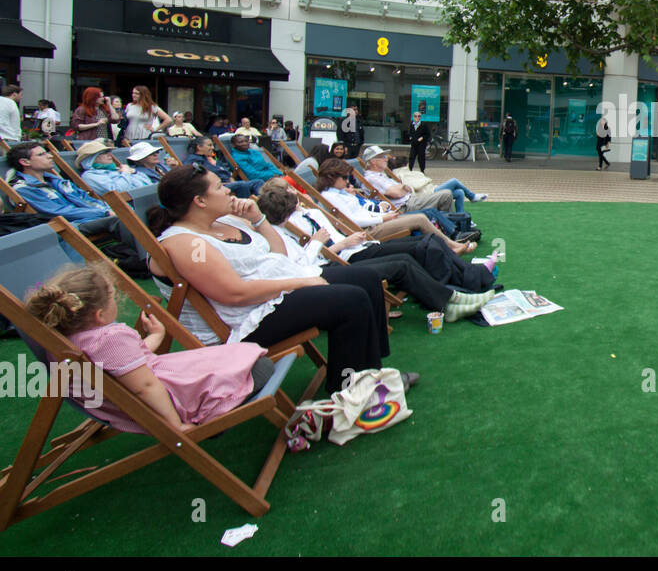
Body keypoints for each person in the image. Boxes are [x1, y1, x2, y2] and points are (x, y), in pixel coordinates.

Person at [146, 166, 413, 394]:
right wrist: (300, 284)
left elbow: (277, 253)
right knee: (350, 300)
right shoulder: (187, 243)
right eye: (218, 187)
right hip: (245, 319)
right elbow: (233, 294)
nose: (228, 189)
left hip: (276, 290)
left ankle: (371, 371)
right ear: (199, 201)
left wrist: (257, 219)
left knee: (364, 277)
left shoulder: (228, 221)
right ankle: (350, 389)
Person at [25, 262, 268, 432]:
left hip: (137, 392)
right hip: (168, 396)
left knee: (232, 359)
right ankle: (215, 408)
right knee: (258, 367)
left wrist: (156, 336)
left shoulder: (65, 342)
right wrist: (175, 426)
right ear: (99, 314)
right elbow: (145, 386)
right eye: (113, 298)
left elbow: (127, 364)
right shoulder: (109, 338)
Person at [256, 181, 497, 321]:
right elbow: (299, 266)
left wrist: (349, 236)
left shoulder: (311, 214)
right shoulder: (283, 232)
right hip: (344, 257)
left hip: (359, 245)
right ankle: (451, 298)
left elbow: (341, 229)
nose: (298, 194)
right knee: (407, 258)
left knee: (427, 243)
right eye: (292, 194)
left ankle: (468, 280)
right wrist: (337, 243)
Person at [316, 158, 475, 251]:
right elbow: (353, 221)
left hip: (380, 218)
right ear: (331, 177)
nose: (347, 181)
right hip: (369, 230)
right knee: (421, 218)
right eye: (344, 178)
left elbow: (362, 211)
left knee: (444, 199)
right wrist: (383, 218)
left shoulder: (340, 193)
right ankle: (452, 244)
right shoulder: (331, 197)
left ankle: (453, 240)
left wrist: (382, 215)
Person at [5, 142, 133, 240]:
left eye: (46, 153)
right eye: (41, 155)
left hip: (90, 217)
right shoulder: (24, 188)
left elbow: (84, 197)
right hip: (72, 224)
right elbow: (59, 212)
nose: (50, 156)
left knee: (131, 213)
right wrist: (103, 213)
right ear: (25, 162)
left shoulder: (56, 181)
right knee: (124, 219)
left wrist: (107, 209)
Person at [359, 145, 455, 218]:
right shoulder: (372, 179)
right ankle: (450, 227)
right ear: (373, 161)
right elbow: (396, 193)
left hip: (411, 199)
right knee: (446, 195)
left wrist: (402, 188)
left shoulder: (380, 175)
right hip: (405, 206)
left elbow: (403, 187)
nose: (386, 159)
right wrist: (403, 188)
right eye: (382, 157)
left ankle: (450, 224)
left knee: (455, 192)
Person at [184, 136, 258, 197]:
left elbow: (227, 173)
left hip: (230, 183)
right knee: (242, 185)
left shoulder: (210, 159)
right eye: (209, 145)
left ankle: (264, 206)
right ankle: (243, 209)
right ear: (199, 147)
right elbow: (196, 177)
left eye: (212, 145)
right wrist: (222, 183)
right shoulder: (193, 160)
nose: (213, 148)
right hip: (218, 186)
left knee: (258, 182)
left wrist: (231, 179)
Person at [76, 141, 154, 195]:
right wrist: (125, 173)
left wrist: (134, 172)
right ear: (92, 158)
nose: (110, 155)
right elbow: (119, 192)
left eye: (109, 152)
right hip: (129, 207)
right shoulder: (90, 175)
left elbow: (148, 183)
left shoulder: (115, 170)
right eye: (104, 153)